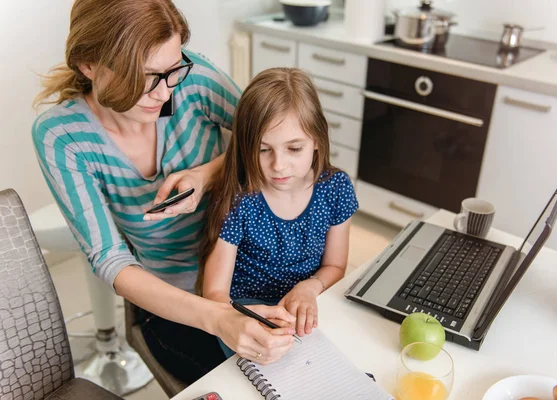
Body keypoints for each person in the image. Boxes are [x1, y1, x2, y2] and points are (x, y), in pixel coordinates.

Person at [32, 0, 295, 384]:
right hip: (176, 303)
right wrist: (217, 318)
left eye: (173, 70)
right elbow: (110, 258)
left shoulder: (190, 79)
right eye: (146, 76)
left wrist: (208, 175)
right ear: (89, 66)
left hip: (256, 266)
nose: (164, 91)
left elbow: (266, 135)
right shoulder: (62, 135)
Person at [199, 68, 359, 352]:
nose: (278, 165)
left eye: (294, 149)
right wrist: (244, 320)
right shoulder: (238, 199)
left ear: (317, 142)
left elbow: (335, 266)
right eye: (263, 150)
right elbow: (214, 293)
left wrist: (310, 287)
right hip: (245, 313)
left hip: (307, 303)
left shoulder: (336, 188)